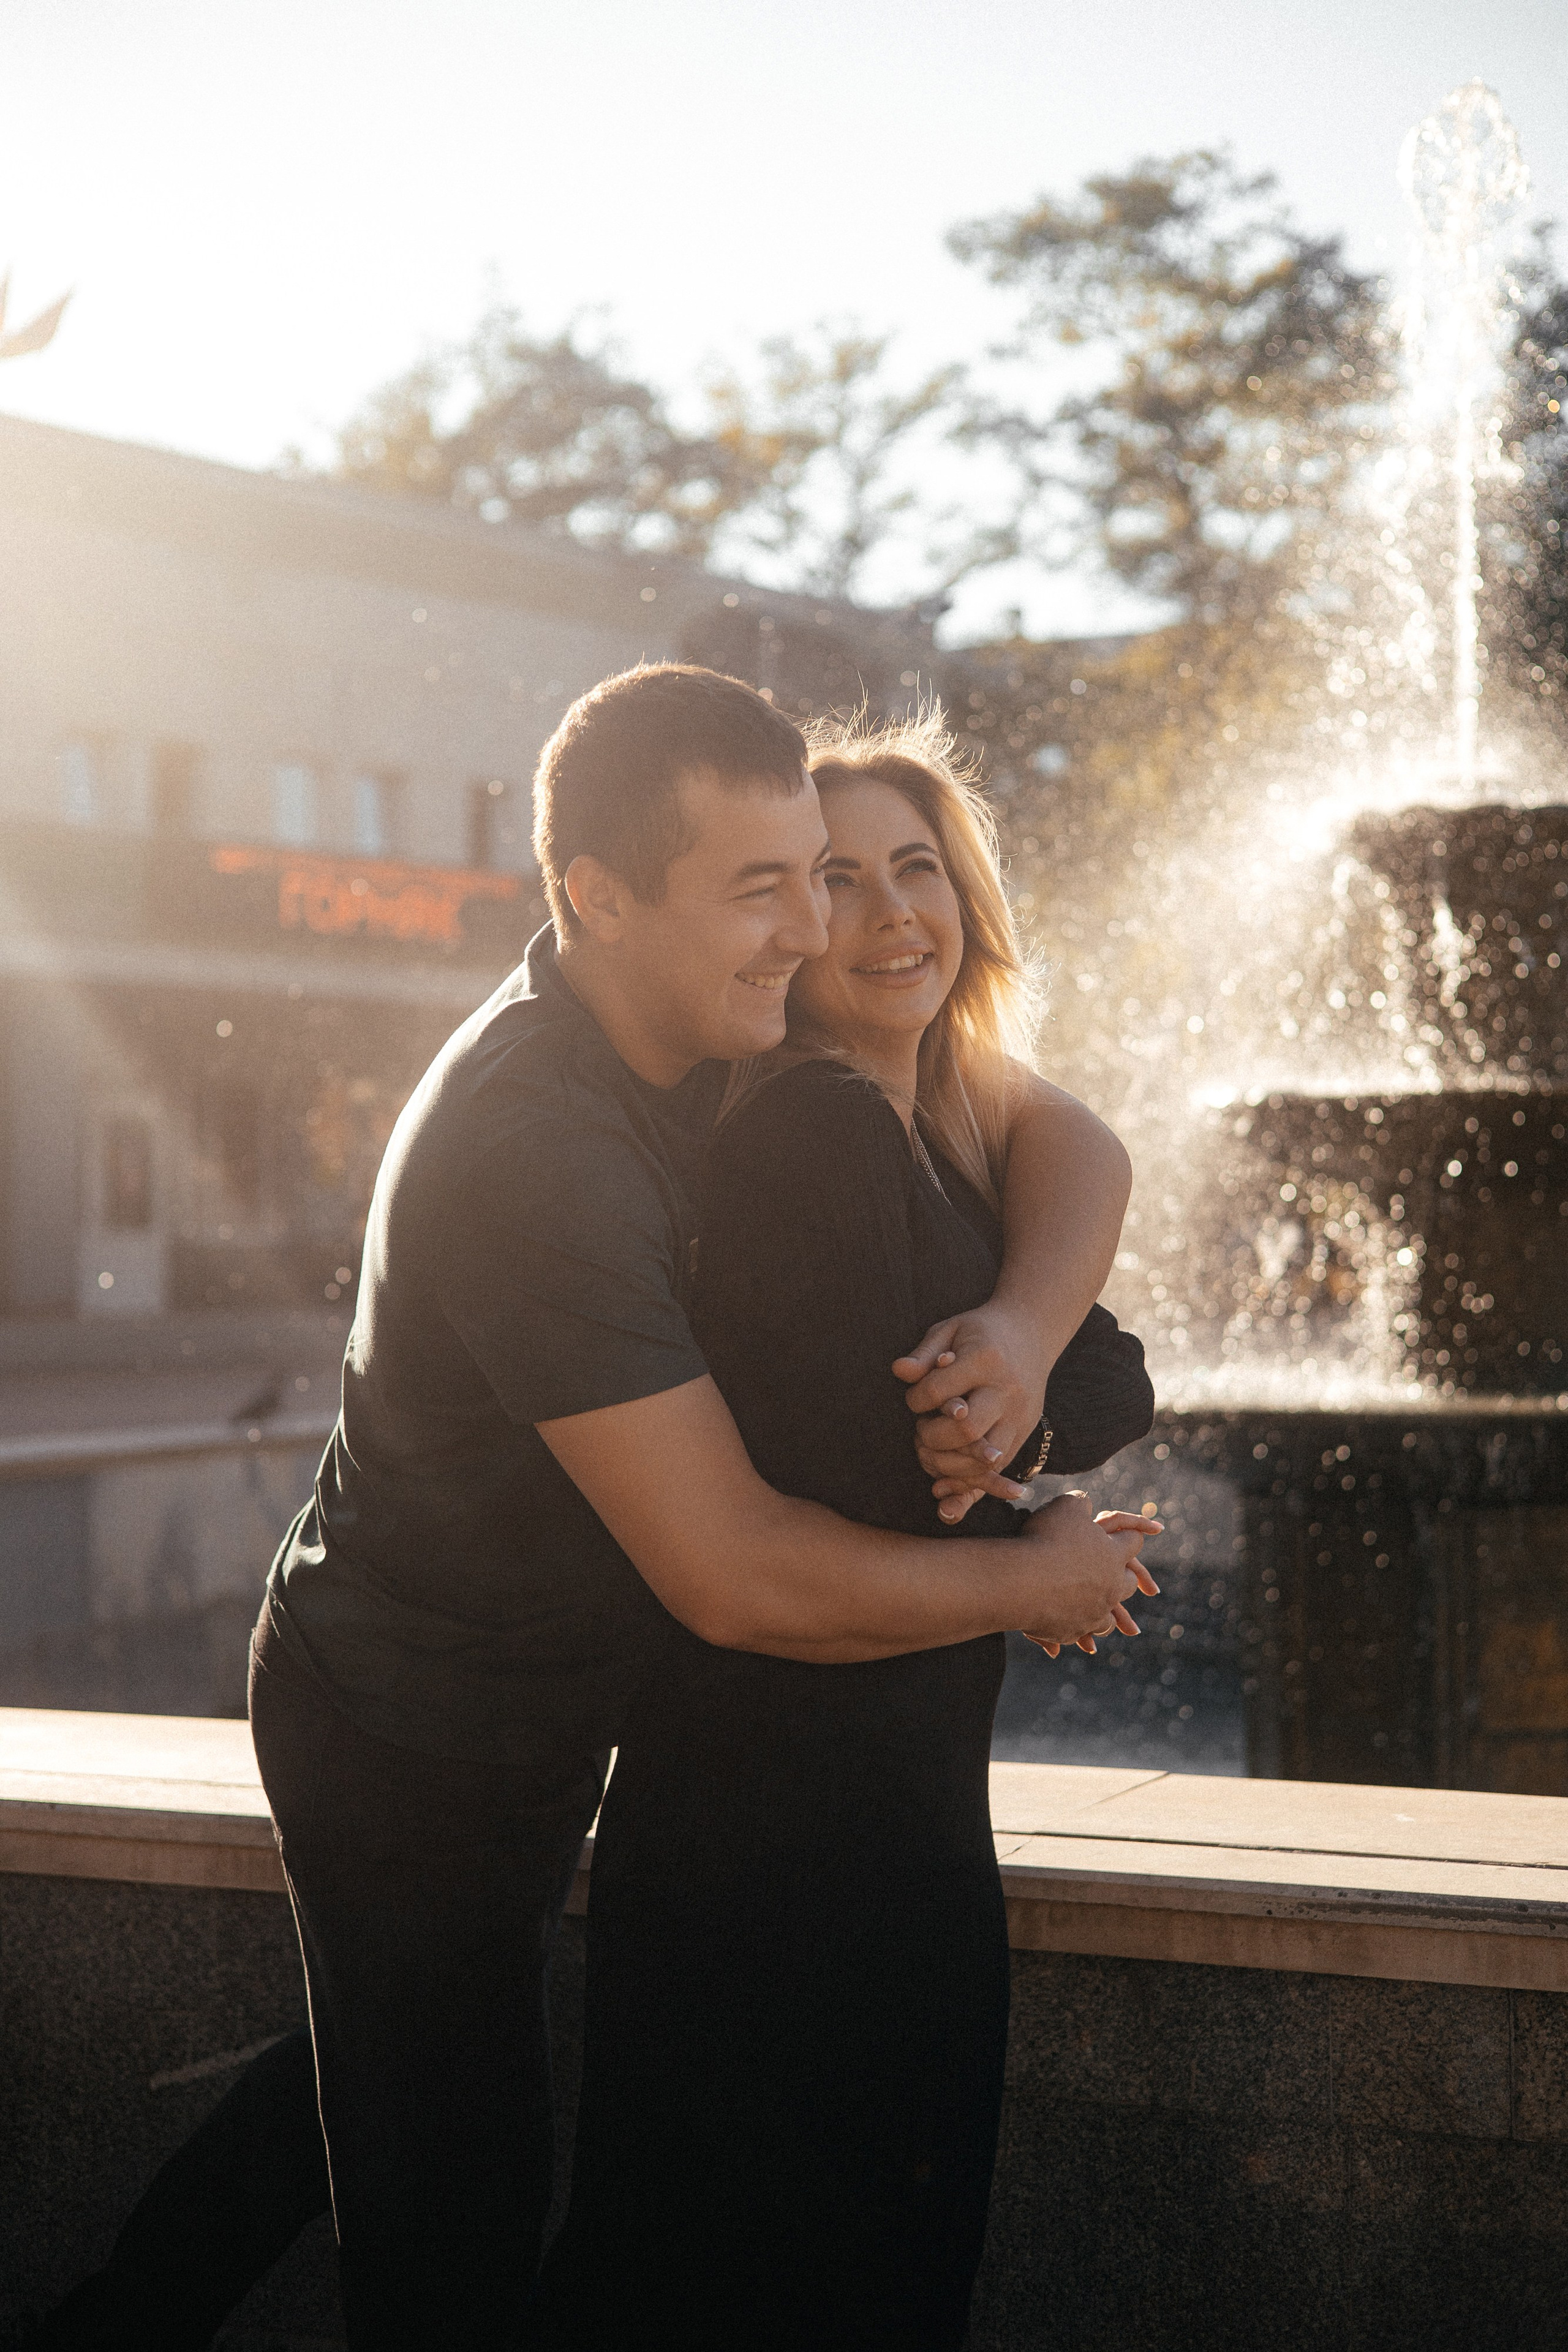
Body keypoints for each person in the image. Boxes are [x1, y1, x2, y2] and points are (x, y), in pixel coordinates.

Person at [40, 665, 1145, 2352]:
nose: (807, 931)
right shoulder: (535, 1149)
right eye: (768, 886)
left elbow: (1050, 1120)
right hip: (413, 1720)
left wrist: (1017, 1329)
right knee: (448, 2209)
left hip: (569, 1677)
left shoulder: (703, 1018)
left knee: (380, 2065)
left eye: (824, 871)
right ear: (595, 896)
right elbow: (732, 1575)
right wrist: (1027, 1585)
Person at [529, 711, 1155, 2350]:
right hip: (785, 1841)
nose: (885, 914)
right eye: (829, 878)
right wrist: (1039, 1562)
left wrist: (1024, 1392)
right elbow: (859, 1491)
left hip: (883, 1813)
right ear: (786, 923)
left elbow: (1105, 1372)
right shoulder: (813, 1133)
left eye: (916, 869)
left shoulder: (943, 1124)